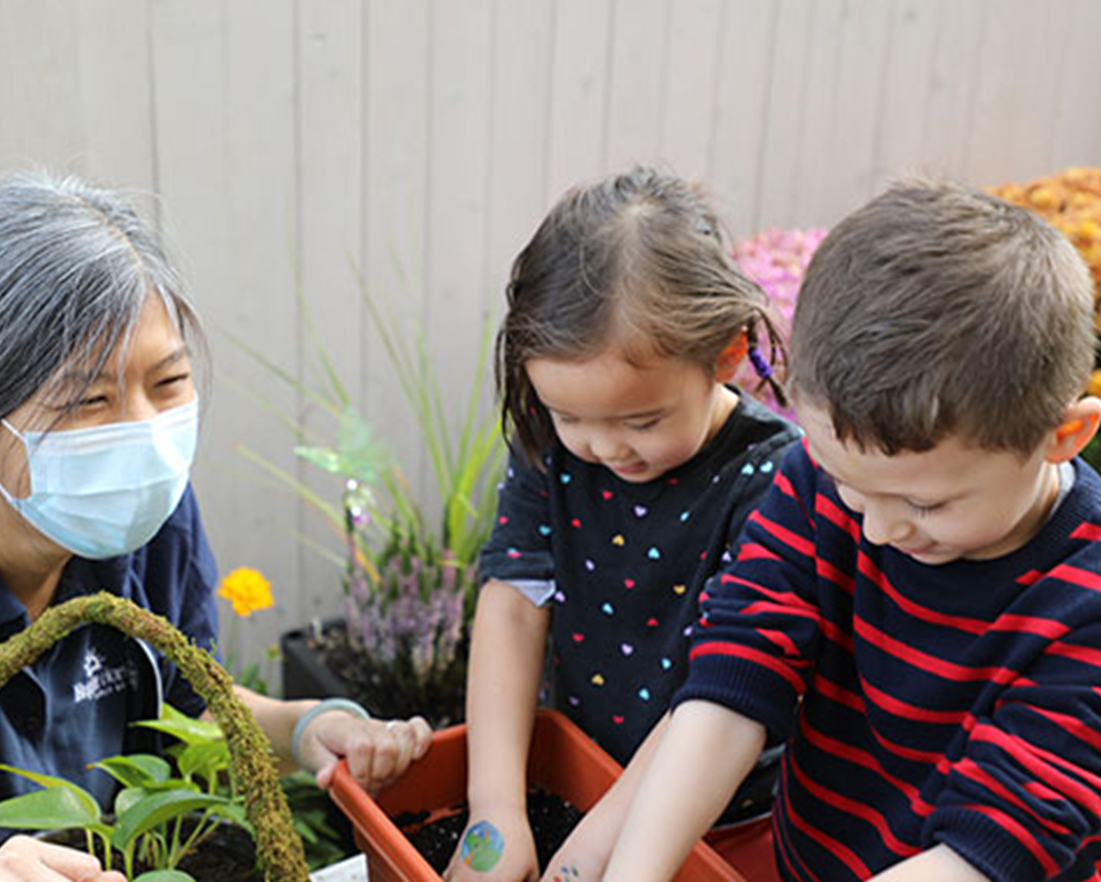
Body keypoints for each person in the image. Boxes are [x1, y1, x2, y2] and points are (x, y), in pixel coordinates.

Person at [0, 171, 432, 882]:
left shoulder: (146, 514)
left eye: (167, 384)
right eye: (89, 400)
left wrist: (309, 728)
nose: (144, 435)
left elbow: (193, 710)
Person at [603, 179, 1101, 882]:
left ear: (1063, 435)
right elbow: (735, 677)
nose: (876, 527)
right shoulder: (823, 480)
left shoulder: (1084, 605)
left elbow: (995, 845)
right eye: (850, 484)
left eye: (926, 505)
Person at [445, 166, 802, 882]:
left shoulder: (770, 479)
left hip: (721, 819)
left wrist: (588, 855)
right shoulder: (550, 447)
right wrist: (496, 812)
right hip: (580, 771)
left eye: (642, 420)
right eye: (569, 415)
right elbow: (515, 605)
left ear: (727, 354)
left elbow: (721, 690)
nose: (604, 448)